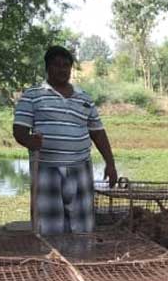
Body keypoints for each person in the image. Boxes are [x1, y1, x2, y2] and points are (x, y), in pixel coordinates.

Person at [13, 45, 117, 235]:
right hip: (46, 168)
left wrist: (110, 164)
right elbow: (19, 130)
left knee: (82, 225)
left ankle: (81, 258)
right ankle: (53, 262)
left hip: (80, 168)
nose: (62, 69)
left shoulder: (84, 98)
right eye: (56, 65)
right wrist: (29, 141)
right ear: (47, 68)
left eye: (66, 65)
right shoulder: (32, 96)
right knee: (49, 226)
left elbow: (98, 133)